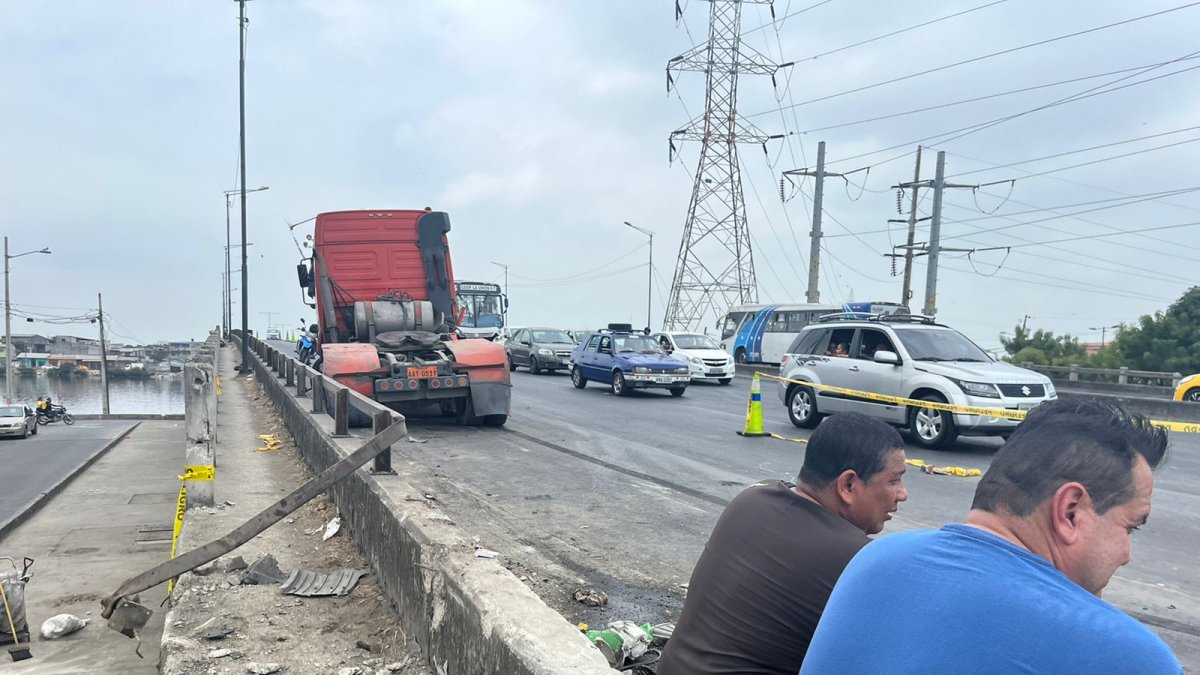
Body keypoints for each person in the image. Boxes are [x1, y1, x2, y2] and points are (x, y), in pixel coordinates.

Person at [801, 399, 1180, 674]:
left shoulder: (877, 559)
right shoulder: (1125, 653)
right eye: (1129, 527)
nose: (1127, 554)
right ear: (1069, 512)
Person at [657, 413, 908, 674]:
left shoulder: (752, 497)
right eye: (894, 480)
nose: (903, 494)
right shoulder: (857, 559)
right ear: (848, 485)